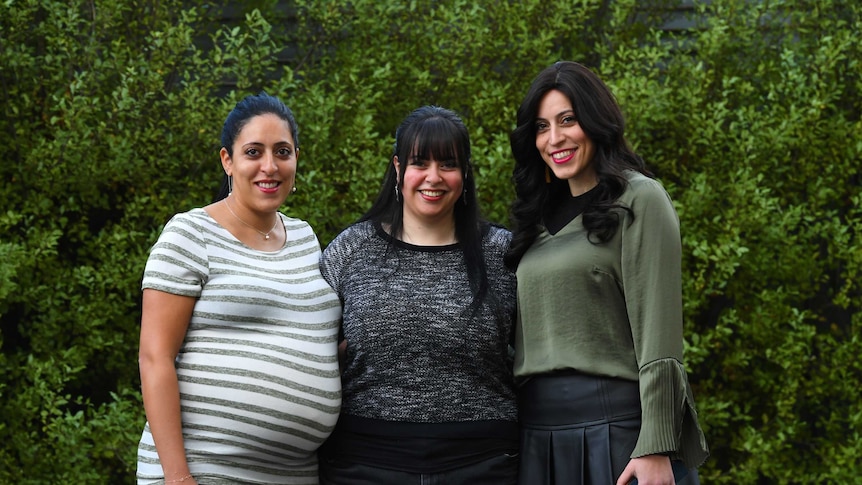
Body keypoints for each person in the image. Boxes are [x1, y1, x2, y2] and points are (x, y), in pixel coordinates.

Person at [505, 61, 709, 485]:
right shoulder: (535, 223)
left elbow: (659, 333)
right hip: (537, 439)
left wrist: (656, 444)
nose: (554, 139)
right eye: (542, 127)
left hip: (617, 433)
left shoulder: (640, 199)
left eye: (568, 120)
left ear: (596, 122)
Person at [136, 92, 342, 484]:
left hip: (295, 475)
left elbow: (313, 338)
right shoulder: (191, 233)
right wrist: (178, 479)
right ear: (227, 161)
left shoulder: (305, 238)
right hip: (205, 471)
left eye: (282, 152)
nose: (270, 166)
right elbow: (154, 358)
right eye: (253, 152)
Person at [317, 106, 519, 485]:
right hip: (364, 462)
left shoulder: (503, 254)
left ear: (465, 173)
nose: (433, 177)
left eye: (448, 164)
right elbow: (309, 354)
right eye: (419, 162)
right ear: (397, 169)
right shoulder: (351, 250)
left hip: (484, 463)